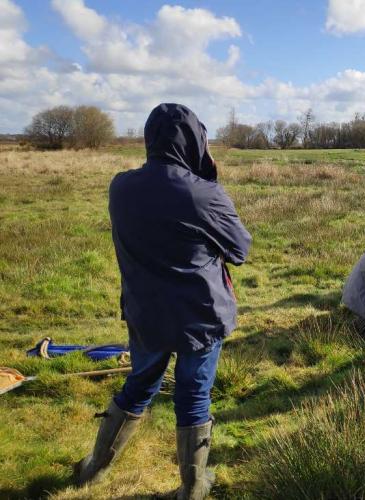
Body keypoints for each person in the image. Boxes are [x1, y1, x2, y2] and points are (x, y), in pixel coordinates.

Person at [75, 103, 252, 500]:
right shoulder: (205, 195)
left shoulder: (120, 187)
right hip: (200, 316)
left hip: (146, 313)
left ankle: (92, 469)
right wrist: (208, 182)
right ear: (196, 142)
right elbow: (240, 249)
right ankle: (193, 487)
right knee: (193, 395)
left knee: (139, 384)